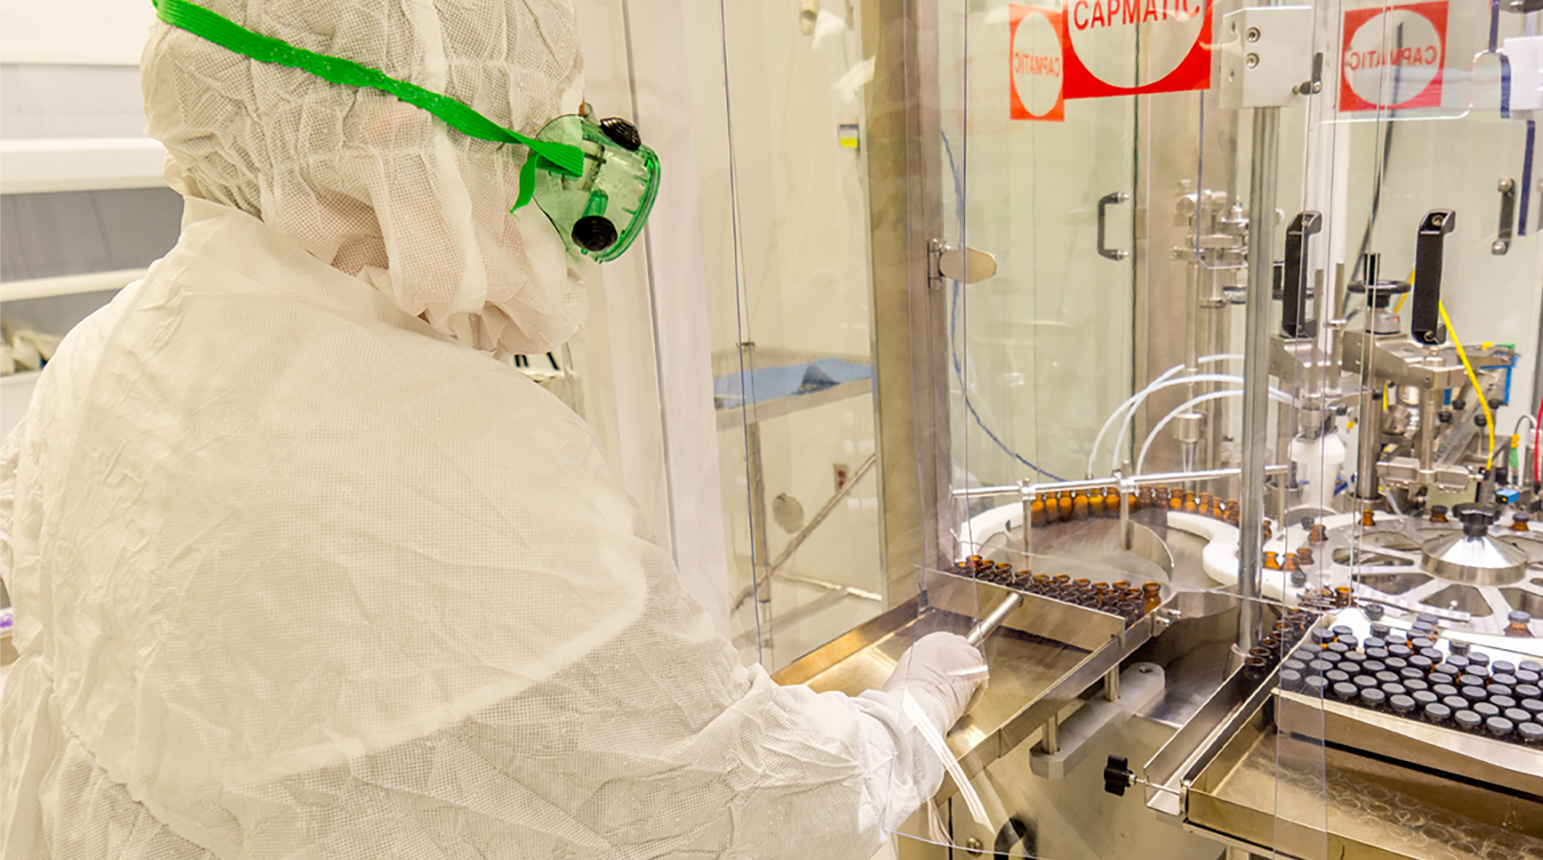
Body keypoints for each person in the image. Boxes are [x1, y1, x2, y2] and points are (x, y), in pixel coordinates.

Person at [0, 0, 987, 857]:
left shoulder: (101, 356)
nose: (568, 184)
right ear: (393, 143)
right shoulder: (454, 462)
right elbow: (733, 803)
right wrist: (900, 728)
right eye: (532, 134)